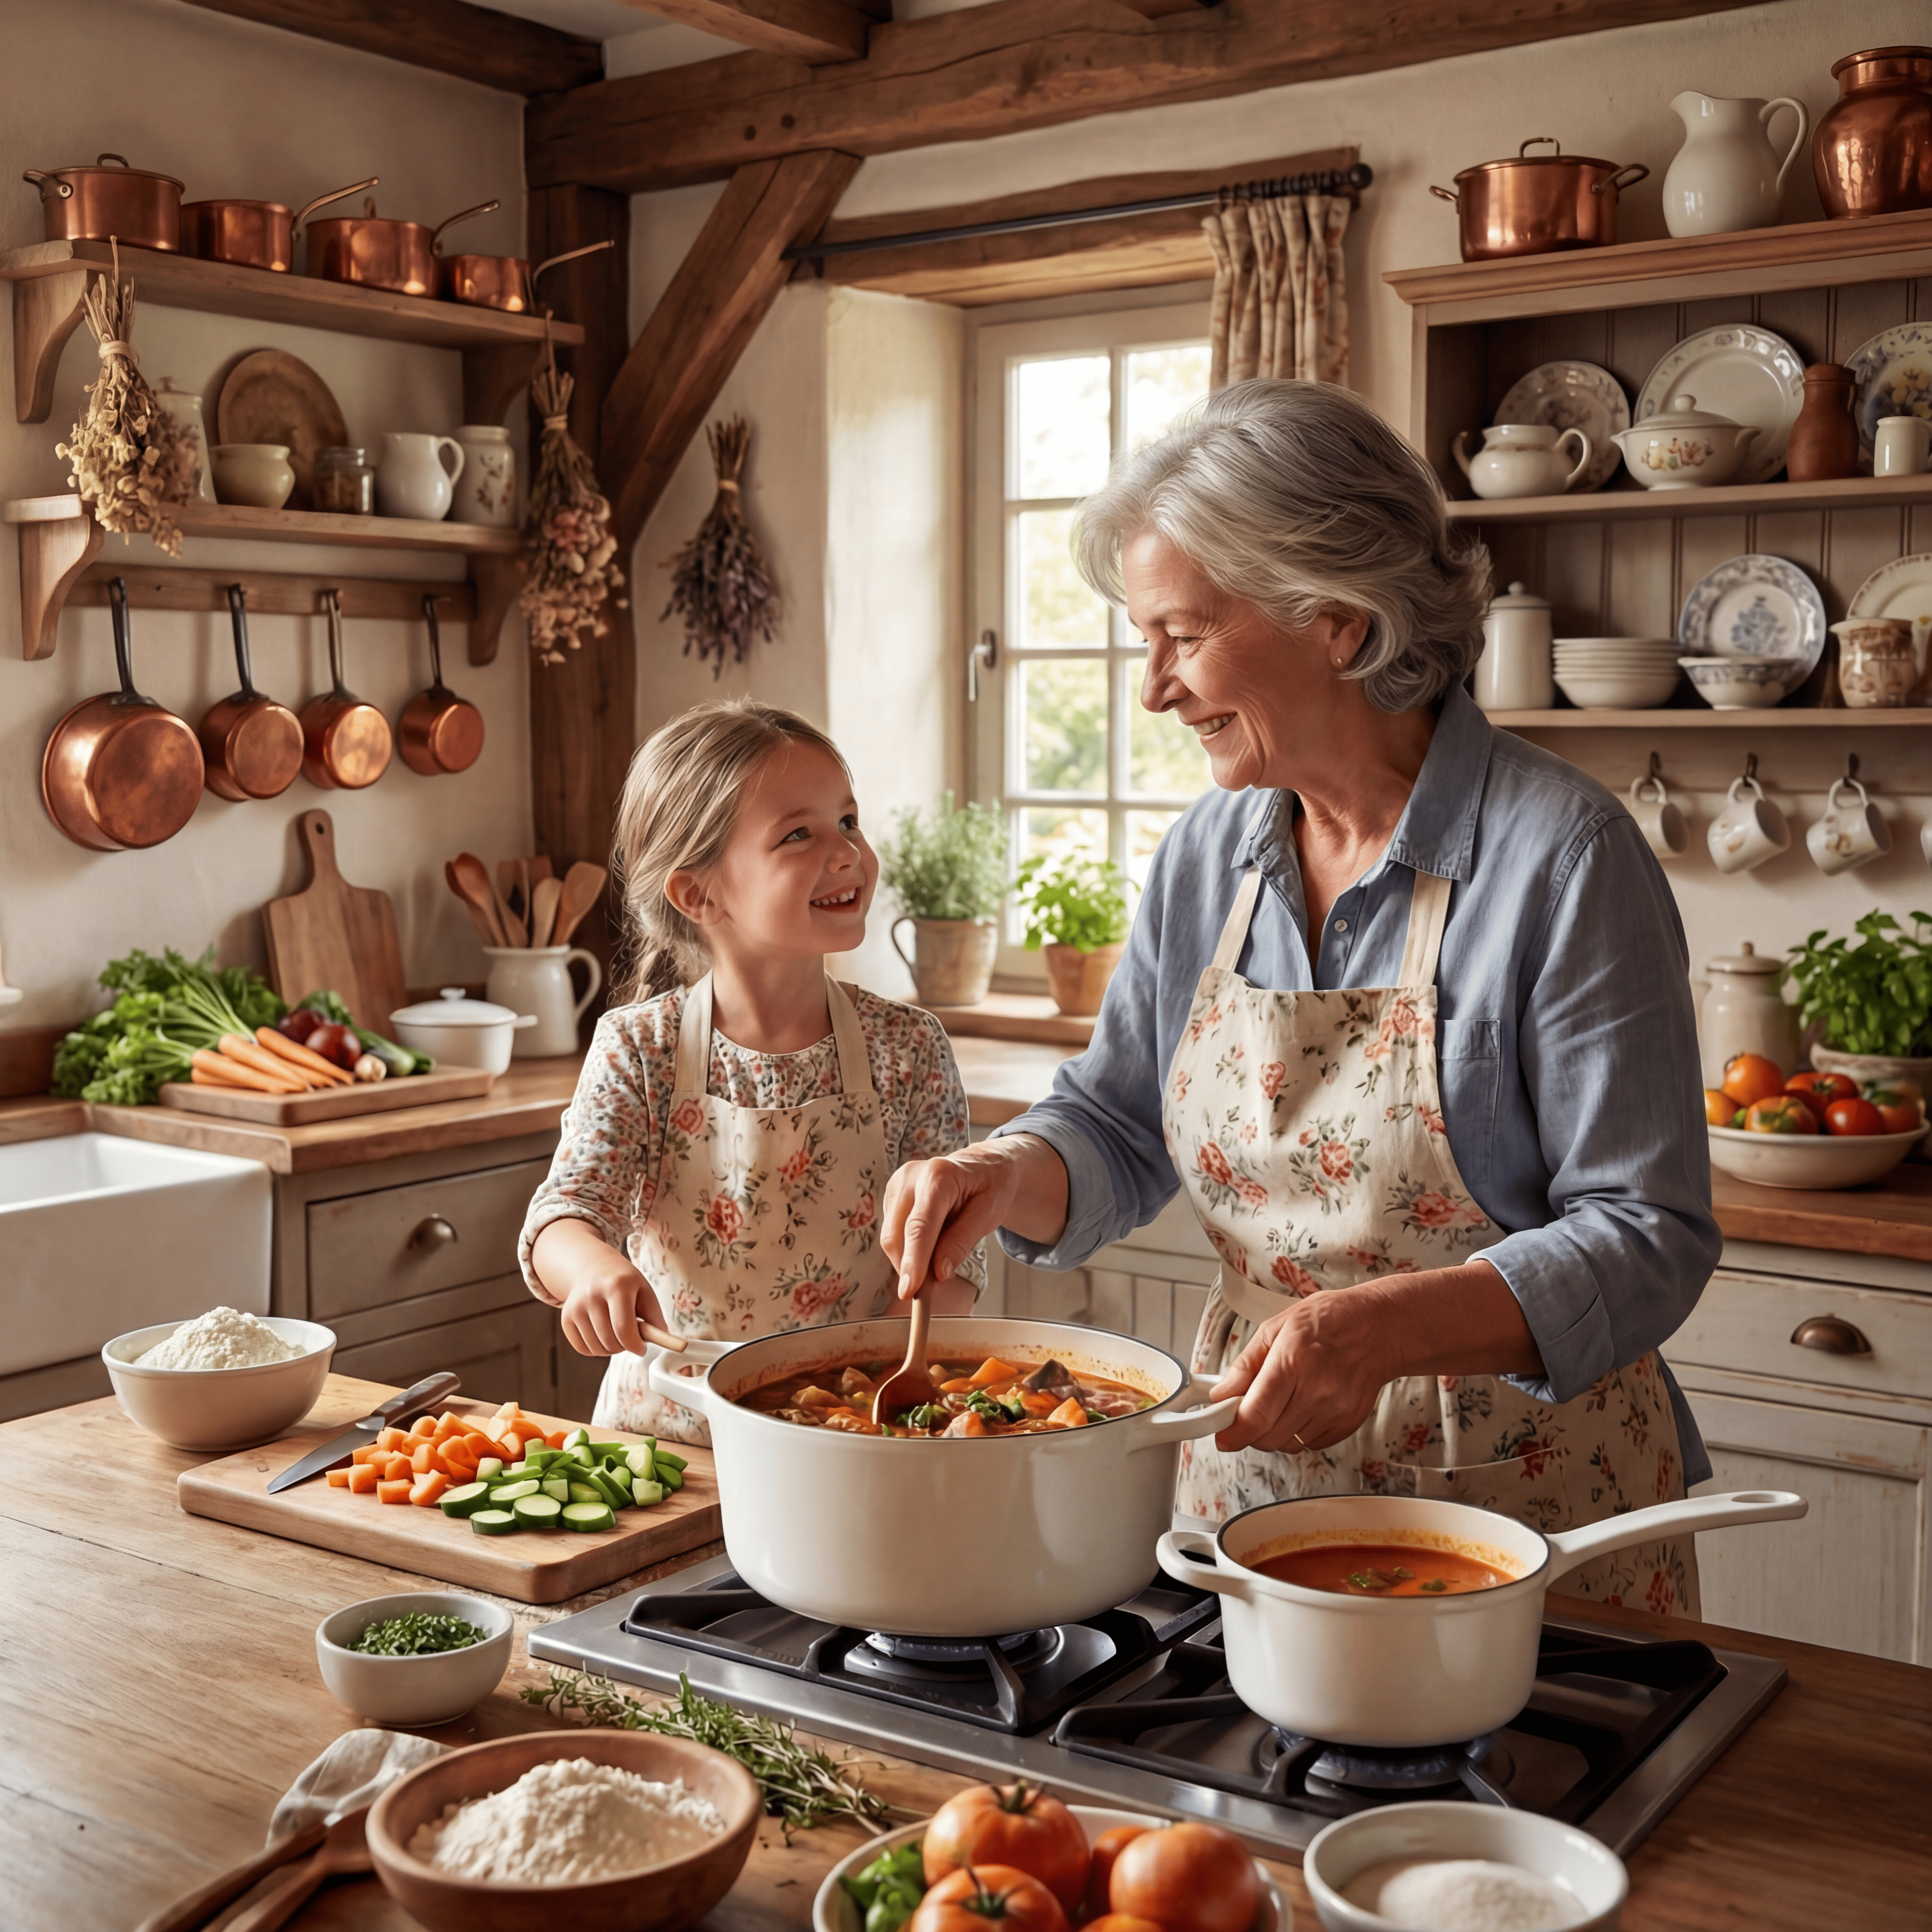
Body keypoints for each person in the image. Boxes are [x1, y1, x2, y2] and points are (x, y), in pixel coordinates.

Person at [883, 380, 1718, 1614]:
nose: (1155, 688)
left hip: (1524, 1516)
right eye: (1144, 641)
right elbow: (1115, 1121)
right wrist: (1002, 1171)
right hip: (1249, 1491)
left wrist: (1381, 1331)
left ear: (1335, 617)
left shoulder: (1563, 858)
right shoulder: (1205, 858)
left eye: (1181, 635)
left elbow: (1648, 1235)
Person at [522, 699, 982, 1442]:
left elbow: (952, 1261)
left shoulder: (909, 1047)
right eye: (799, 834)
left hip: (851, 1436)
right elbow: (564, 1214)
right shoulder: (639, 1049)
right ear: (699, 894)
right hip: (665, 1445)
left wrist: (873, 1387)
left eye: (849, 821)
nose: (847, 853)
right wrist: (592, 1271)